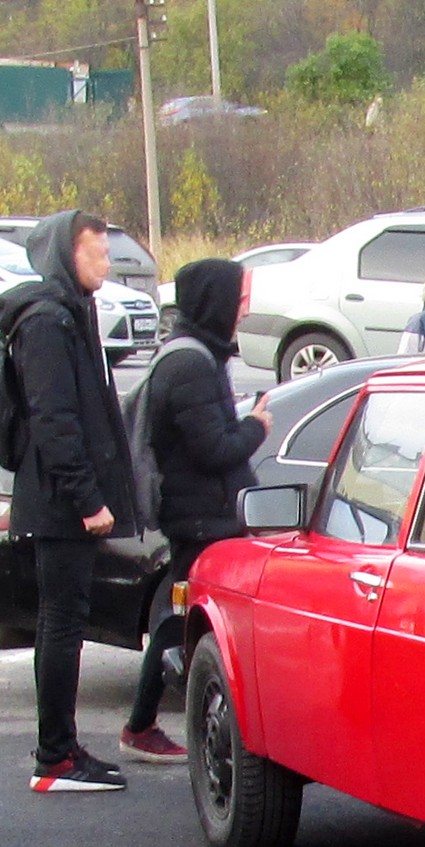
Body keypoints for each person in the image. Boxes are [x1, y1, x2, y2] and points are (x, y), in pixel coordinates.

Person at [0, 211, 135, 791]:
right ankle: (54, 755)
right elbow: (55, 421)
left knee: (66, 621)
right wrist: (86, 500)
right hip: (61, 503)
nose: (106, 262)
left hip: (59, 498)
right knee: (61, 624)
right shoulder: (47, 321)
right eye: (95, 251)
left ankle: (61, 747)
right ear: (64, 254)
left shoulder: (71, 313)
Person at [120, 258, 271, 763]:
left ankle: (146, 722)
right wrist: (257, 426)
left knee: (181, 614)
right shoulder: (189, 364)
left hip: (205, 512)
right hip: (199, 515)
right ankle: (148, 724)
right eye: (239, 298)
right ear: (216, 301)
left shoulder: (198, 356)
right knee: (183, 618)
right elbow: (214, 449)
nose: (245, 308)